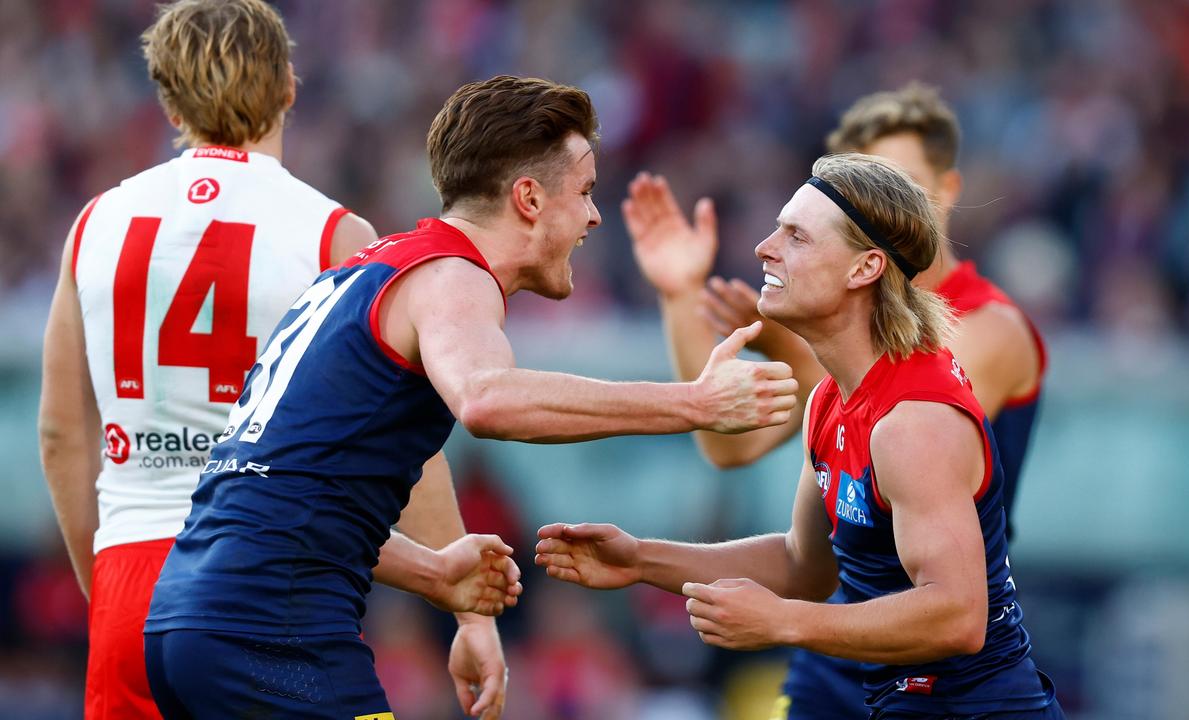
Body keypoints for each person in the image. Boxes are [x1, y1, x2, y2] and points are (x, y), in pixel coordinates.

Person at [141, 74, 797, 719]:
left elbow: (286, 487)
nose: (595, 215)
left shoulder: (364, 274)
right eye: (586, 191)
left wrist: (434, 575)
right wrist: (693, 403)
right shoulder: (454, 276)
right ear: (530, 198)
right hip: (274, 632)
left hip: (187, 624)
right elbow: (486, 401)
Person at [37, 2, 518, 719]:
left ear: (166, 94)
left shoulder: (97, 222)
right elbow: (404, 449)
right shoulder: (331, 233)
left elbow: (60, 434)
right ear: (290, 85)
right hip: (265, 581)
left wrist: (110, 586)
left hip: (130, 578)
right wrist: (471, 618)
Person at [537, 153, 1064, 718]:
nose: (766, 247)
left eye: (796, 236)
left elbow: (959, 617)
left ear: (864, 269)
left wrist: (781, 622)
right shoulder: (830, 400)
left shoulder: (913, 423)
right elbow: (804, 566)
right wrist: (641, 560)